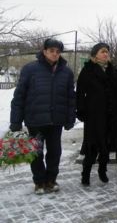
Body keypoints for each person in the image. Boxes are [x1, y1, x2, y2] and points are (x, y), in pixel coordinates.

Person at [10, 38, 75, 194]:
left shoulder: (66, 72)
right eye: (51, 51)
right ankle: (39, 182)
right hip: (35, 120)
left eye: (58, 52)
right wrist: (16, 121)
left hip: (56, 120)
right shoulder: (30, 69)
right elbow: (19, 96)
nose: (54, 54)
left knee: (55, 153)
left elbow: (71, 98)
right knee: (36, 153)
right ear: (44, 51)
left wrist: (70, 118)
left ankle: (51, 180)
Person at [76, 43, 117, 186]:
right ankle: (85, 174)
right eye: (102, 52)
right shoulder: (88, 70)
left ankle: (102, 170)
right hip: (94, 115)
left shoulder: (112, 70)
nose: (106, 54)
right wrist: (81, 110)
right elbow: (80, 92)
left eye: (107, 52)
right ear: (95, 55)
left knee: (106, 147)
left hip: (109, 115)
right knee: (92, 147)